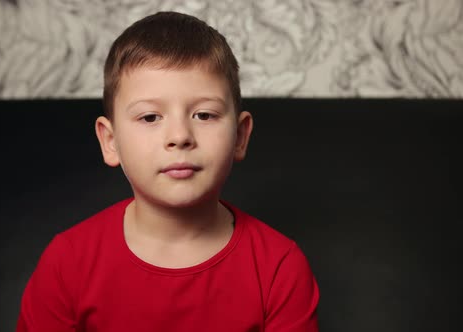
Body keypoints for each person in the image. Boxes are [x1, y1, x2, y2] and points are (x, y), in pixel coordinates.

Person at [16, 11, 319, 332]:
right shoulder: (68, 263)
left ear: (240, 136)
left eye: (204, 115)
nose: (179, 136)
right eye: (149, 117)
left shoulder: (279, 266)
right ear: (110, 141)